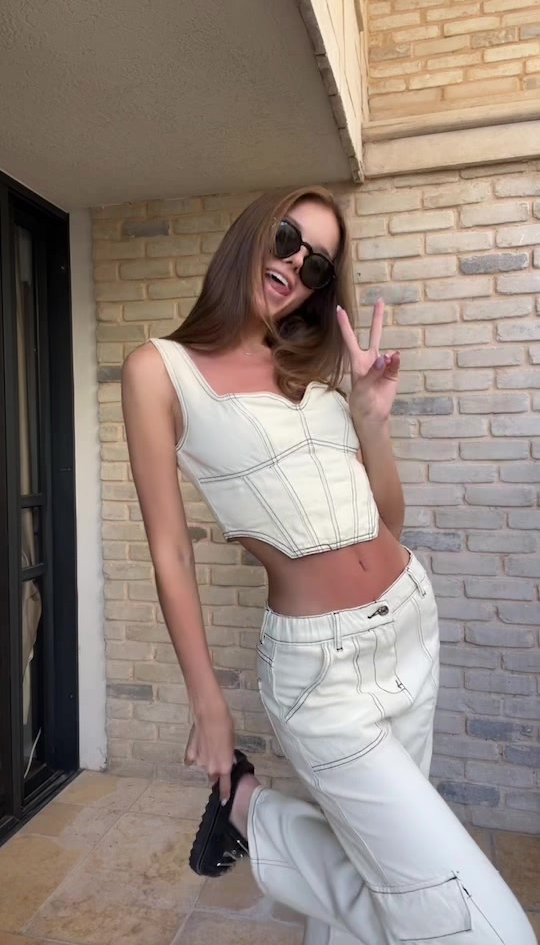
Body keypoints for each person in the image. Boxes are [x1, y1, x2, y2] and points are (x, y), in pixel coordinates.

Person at [122, 187, 536, 945]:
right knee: (471, 924)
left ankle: (248, 814)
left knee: (381, 877)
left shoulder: (309, 373)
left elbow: (387, 523)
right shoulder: (160, 370)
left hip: (410, 625)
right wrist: (208, 704)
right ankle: (248, 807)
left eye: (316, 264)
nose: (296, 265)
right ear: (253, 232)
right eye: (287, 238)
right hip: (322, 674)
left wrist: (371, 417)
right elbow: (171, 551)